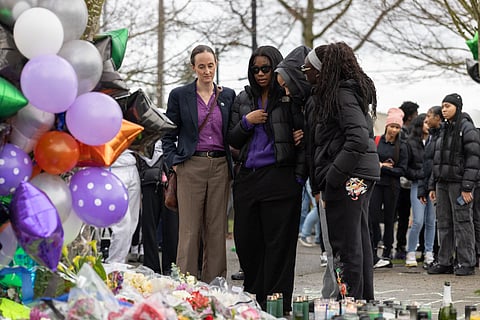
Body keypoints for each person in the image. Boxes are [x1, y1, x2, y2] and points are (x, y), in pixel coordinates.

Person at [228, 45, 306, 314]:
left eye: (265, 68)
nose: (260, 74)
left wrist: (298, 177)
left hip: (281, 178)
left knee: (279, 246)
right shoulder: (243, 98)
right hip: (248, 179)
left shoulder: (288, 96)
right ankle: (254, 298)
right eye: (255, 69)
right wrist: (247, 122)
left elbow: (304, 135)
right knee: (248, 242)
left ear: (276, 68)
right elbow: (232, 139)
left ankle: (277, 304)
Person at [305, 42, 379, 301]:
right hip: (360, 174)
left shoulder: (339, 94)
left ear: (322, 70)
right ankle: (362, 302)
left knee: (345, 246)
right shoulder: (347, 92)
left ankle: (349, 304)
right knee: (358, 242)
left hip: (349, 177)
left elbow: (358, 138)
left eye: (308, 67)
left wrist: (333, 177)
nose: (304, 72)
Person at [162, 44, 236, 283]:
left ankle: (215, 284)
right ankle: (186, 284)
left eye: (211, 65)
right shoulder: (179, 95)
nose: (207, 71)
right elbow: (167, 133)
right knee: (189, 230)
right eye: (201, 66)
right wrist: (174, 162)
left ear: (216, 65)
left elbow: (232, 132)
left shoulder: (227, 95)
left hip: (220, 166)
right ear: (193, 67)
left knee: (216, 230)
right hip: (190, 165)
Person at [427, 93, 479, 276]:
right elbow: (436, 159)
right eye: (442, 106)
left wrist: (467, 187)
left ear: (457, 106)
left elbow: (474, 159)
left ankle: (467, 262)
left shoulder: (467, 127)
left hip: (459, 185)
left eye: (448, 106)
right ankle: (445, 262)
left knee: (463, 222)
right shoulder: (443, 129)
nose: (444, 109)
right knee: (443, 223)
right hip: (442, 184)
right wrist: (432, 185)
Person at [369, 107, 408, 268]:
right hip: (376, 185)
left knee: (390, 220)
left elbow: (402, 170)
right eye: (392, 126)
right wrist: (382, 166)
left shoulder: (402, 146)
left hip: (392, 187)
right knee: (373, 218)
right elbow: (371, 163)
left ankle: (387, 252)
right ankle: (372, 251)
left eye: (397, 127)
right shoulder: (376, 141)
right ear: (386, 125)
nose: (394, 130)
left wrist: (383, 167)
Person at [404, 114, 436, 267]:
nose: (427, 123)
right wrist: (420, 175)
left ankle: (429, 252)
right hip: (417, 184)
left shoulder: (435, 140)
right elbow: (406, 167)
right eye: (425, 121)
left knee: (431, 221)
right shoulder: (410, 143)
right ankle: (411, 251)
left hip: (432, 186)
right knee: (418, 220)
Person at [105, 149, 142, 264]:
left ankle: (120, 262)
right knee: (122, 224)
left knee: (132, 222)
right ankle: (114, 264)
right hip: (113, 168)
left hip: (132, 165)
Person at [417, 106, 443, 264]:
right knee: (428, 221)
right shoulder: (431, 138)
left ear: (438, 118)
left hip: (439, 185)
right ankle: (431, 254)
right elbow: (425, 166)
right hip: (430, 186)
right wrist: (423, 188)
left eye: (429, 115)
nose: (426, 119)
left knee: (438, 222)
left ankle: (436, 254)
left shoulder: (442, 136)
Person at [395, 102, 419, 260]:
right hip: (404, 181)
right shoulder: (404, 132)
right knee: (403, 216)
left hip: (407, 180)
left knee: (407, 217)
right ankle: (400, 246)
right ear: (411, 115)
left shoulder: (408, 131)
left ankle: (401, 246)